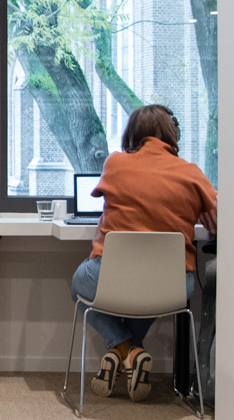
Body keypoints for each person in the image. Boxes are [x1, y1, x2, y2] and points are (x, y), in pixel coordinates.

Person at [71, 104, 217, 402]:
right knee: (148, 298)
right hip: (172, 285)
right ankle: (131, 352)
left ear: (132, 134)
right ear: (174, 134)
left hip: (112, 278)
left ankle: (123, 349)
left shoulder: (115, 164)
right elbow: (216, 223)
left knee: (78, 286)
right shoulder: (192, 173)